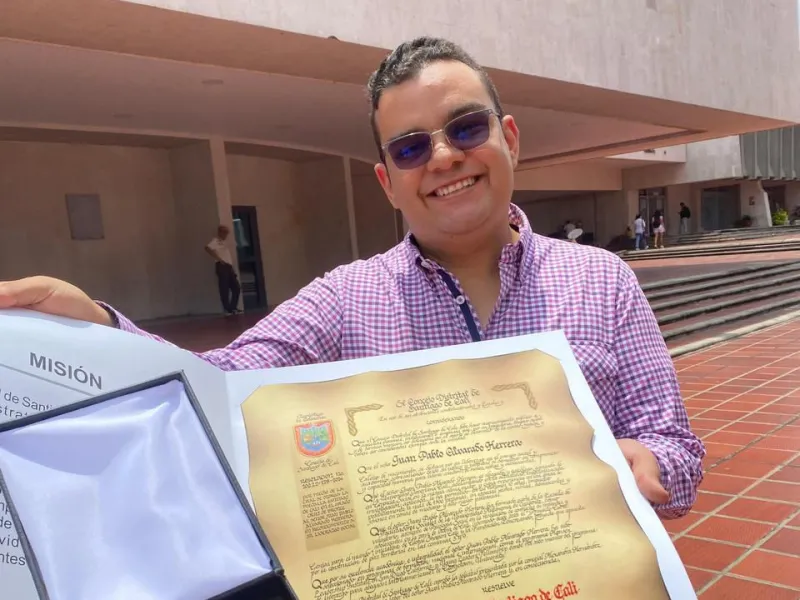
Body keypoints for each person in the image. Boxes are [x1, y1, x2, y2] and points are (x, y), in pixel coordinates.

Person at [0, 36, 703, 519]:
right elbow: (217, 385)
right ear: (387, 182)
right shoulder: (345, 298)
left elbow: (677, 452)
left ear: (508, 139)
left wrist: (648, 465)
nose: (443, 157)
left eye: (465, 128)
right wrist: (99, 329)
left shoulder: (604, 280)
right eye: (410, 147)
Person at [205, 225, 241, 316]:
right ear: (220, 232)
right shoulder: (215, 241)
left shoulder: (224, 242)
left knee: (236, 287)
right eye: (224, 233)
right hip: (222, 266)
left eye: (227, 233)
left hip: (228, 266)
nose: (226, 235)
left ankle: (233, 307)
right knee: (224, 288)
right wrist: (219, 259)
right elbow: (207, 248)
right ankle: (227, 309)